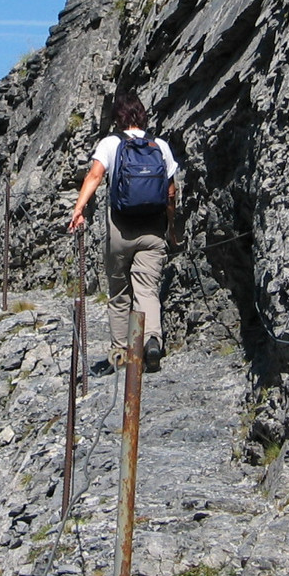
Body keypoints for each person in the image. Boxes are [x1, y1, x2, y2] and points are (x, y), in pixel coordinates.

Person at [67, 93, 179, 374]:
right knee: (147, 289)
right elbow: (171, 192)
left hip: (120, 228)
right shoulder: (160, 146)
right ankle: (152, 339)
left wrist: (78, 209)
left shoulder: (111, 144)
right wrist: (172, 225)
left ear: (118, 118)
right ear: (142, 115)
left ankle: (120, 355)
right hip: (153, 229)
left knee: (119, 294)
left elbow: (94, 176)